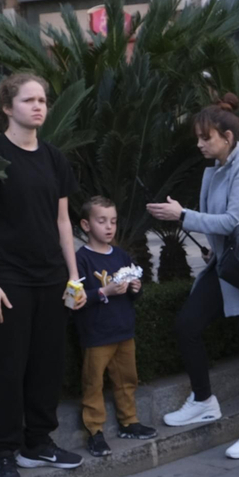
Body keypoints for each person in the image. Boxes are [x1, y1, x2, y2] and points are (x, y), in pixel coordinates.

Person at [148, 94, 239, 460]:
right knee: (187, 325)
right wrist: (211, 246)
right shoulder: (216, 167)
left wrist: (181, 215)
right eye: (198, 137)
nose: (199, 143)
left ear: (227, 137)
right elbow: (221, 225)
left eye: (205, 137)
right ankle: (204, 399)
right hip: (226, 265)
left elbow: (232, 220)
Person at [0, 73, 86, 477]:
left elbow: (63, 222)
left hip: (52, 278)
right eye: (29, 100)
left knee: (47, 365)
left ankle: (38, 443)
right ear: (6, 107)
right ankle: (4, 452)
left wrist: (74, 277)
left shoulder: (54, 158)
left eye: (43, 100)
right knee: (8, 367)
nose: (39, 106)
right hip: (9, 280)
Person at [73, 196, 156, 458]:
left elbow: (134, 295)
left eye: (113, 221)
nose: (109, 227)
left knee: (126, 380)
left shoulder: (121, 255)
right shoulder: (80, 259)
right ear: (86, 225)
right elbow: (74, 300)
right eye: (102, 221)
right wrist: (104, 291)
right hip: (96, 335)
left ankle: (129, 422)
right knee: (93, 384)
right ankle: (94, 431)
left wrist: (135, 289)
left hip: (123, 331)